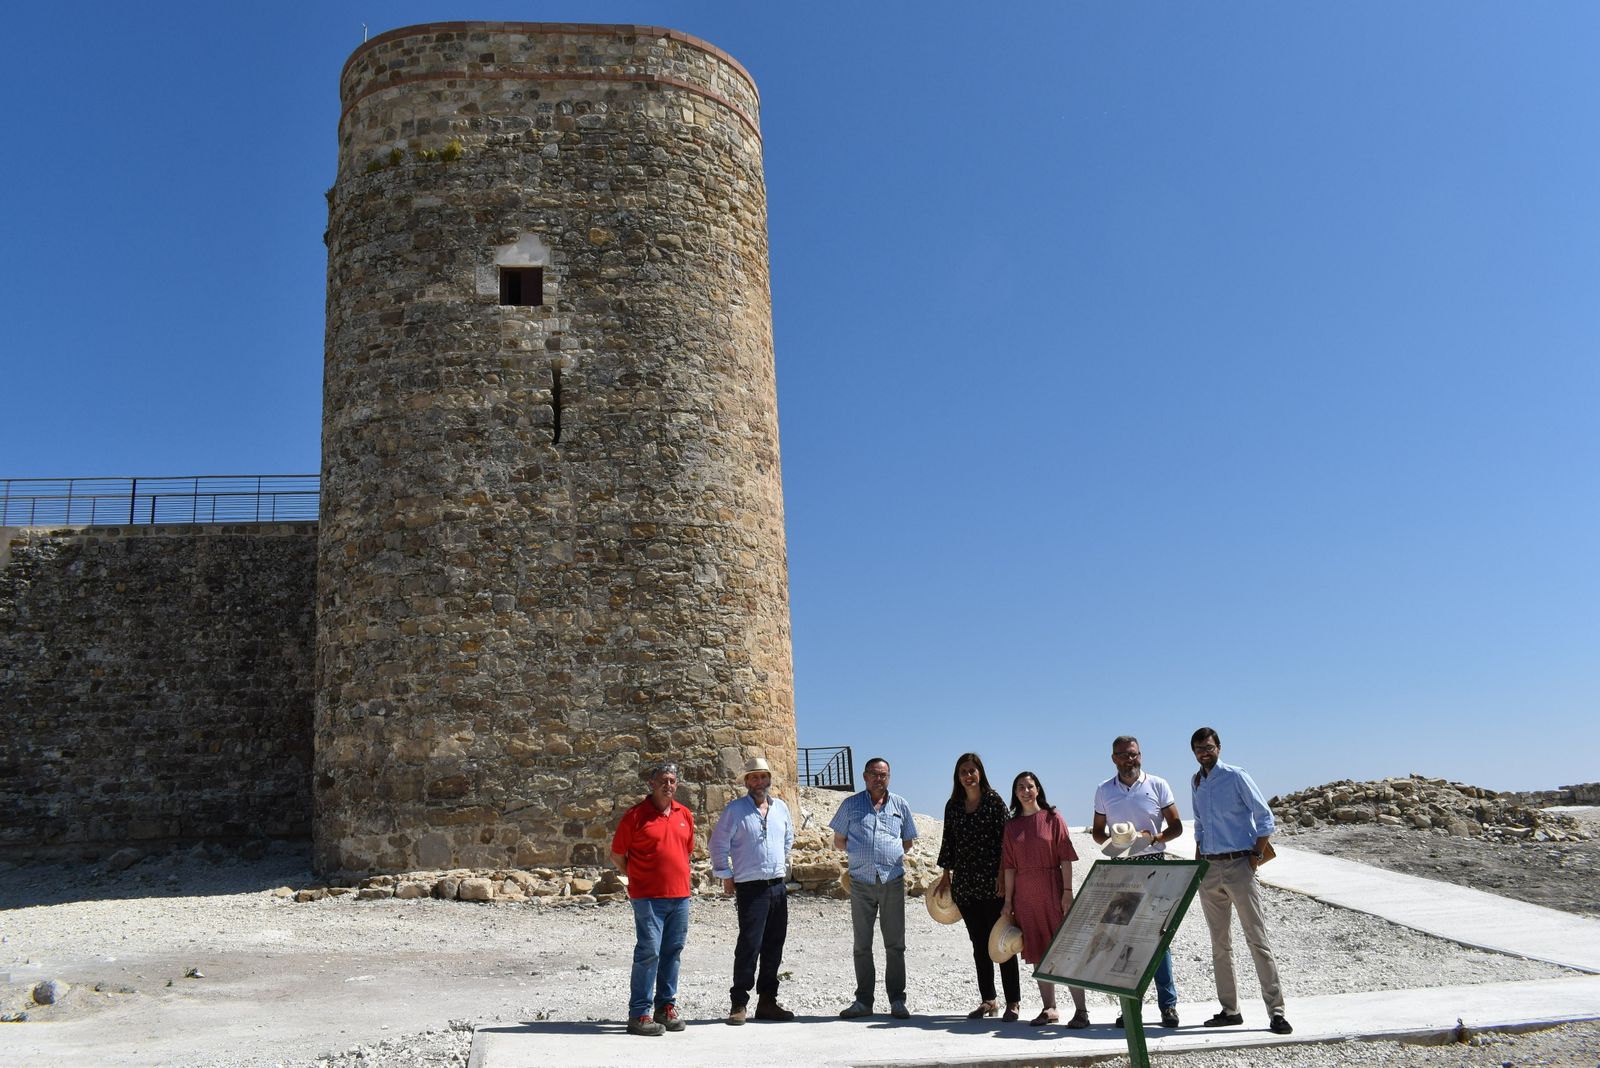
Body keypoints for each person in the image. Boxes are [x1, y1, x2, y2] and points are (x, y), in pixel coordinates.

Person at [1189, 727, 1293, 1035]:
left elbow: (1265, 817)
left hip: (1239, 865)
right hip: (1209, 868)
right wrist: (1198, 865)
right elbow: (1198, 825)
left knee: (1257, 940)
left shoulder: (1236, 776)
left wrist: (1254, 858)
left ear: (1219, 747)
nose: (1203, 752)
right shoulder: (1197, 782)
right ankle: (1230, 1009)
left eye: (1208, 747)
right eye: (1198, 748)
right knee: (1220, 945)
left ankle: (1276, 1012)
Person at [1091, 735, 1184, 1029]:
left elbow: (1177, 826)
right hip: (1123, 869)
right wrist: (1113, 846)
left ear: (1140, 755)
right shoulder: (1104, 790)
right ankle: (1130, 1008)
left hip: (1154, 865)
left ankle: (1168, 1006)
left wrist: (1154, 839)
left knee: (1158, 937)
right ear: (1113, 758)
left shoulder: (1158, 784)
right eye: (1122, 755)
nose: (1128, 760)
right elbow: (1097, 831)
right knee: (1124, 938)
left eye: (1133, 754)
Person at [708, 756, 796, 1025]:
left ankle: (767, 1001)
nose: (759, 782)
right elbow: (718, 844)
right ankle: (739, 1002)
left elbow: (787, 840)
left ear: (769, 779)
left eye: (763, 777)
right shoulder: (735, 810)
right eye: (753, 777)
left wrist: (780, 865)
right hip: (750, 887)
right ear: (746, 782)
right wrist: (725, 874)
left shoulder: (780, 808)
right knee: (749, 945)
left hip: (777, 887)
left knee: (774, 945)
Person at [933, 752, 1021, 1021]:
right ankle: (988, 1000)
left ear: (980, 773)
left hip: (993, 885)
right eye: (963, 772)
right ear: (957, 777)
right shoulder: (953, 805)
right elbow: (948, 842)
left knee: (1003, 941)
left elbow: (1006, 843)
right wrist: (946, 876)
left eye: (972, 771)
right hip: (966, 886)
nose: (968, 776)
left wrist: (1001, 877)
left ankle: (1013, 1002)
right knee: (979, 944)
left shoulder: (994, 802)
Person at [610, 762, 695, 1037]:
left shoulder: (685, 815)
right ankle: (639, 1014)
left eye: (672, 780)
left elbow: (687, 850)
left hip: (680, 896)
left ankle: (665, 1008)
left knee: (673, 953)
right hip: (647, 897)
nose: (667, 785)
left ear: (677, 784)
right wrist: (637, 876)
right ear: (651, 783)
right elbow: (618, 855)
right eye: (662, 780)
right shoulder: (635, 816)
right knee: (649, 953)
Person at [830, 756, 918, 1019]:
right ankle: (863, 1001)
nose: (879, 778)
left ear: (889, 777)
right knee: (862, 944)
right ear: (865, 776)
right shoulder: (850, 805)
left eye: (884, 774)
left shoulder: (900, 805)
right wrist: (863, 853)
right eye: (874, 774)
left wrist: (884, 853)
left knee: (895, 944)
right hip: (861, 881)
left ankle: (897, 1000)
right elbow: (839, 841)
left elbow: (907, 842)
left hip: (892, 880)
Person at [1001, 771, 1089, 1028]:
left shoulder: (1053, 818)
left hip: (1052, 889)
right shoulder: (1011, 826)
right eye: (1020, 787)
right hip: (1025, 896)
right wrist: (1008, 901)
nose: (1026, 791)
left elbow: (1065, 858)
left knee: (1065, 950)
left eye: (1030, 786)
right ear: (1015, 793)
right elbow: (1009, 866)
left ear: (1038, 789)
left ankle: (1082, 1010)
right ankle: (1049, 1008)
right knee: (1038, 951)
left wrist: (1068, 892)